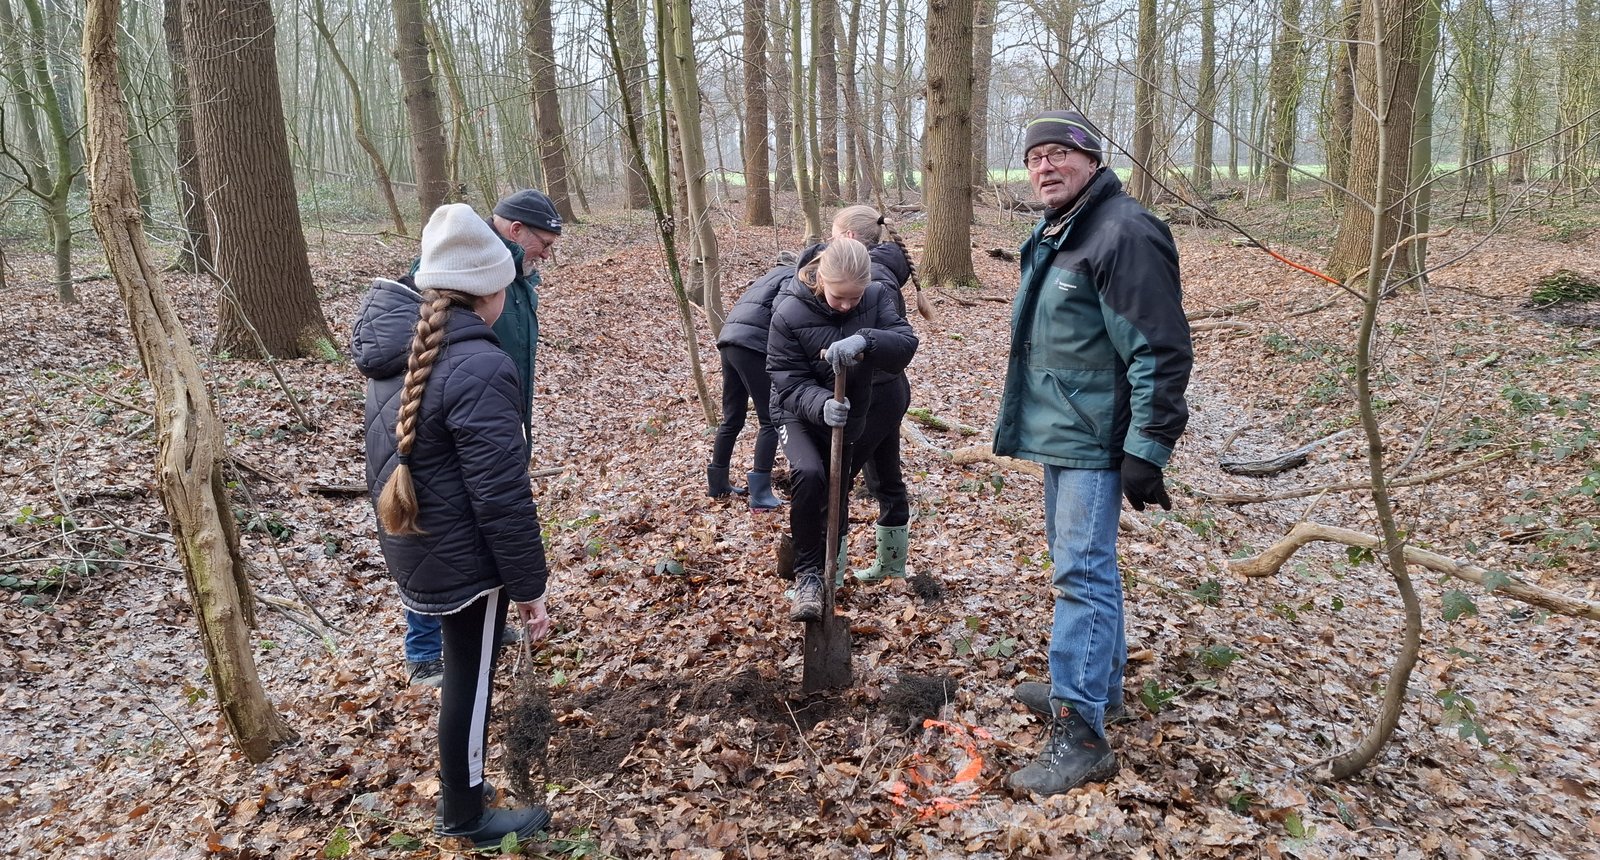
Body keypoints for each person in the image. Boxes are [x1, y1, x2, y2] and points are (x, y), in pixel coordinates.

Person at [994, 111, 1193, 796]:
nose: (1044, 167)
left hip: (1096, 438)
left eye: (1058, 154)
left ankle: (1081, 733)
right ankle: (1096, 693)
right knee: (1084, 569)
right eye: (1034, 158)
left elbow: (1159, 348)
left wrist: (1149, 446)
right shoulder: (1065, 229)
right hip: (1064, 431)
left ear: (1092, 158)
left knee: (1080, 574)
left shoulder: (1123, 232)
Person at [353, 203, 555, 847]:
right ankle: (465, 814)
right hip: (466, 556)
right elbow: (501, 494)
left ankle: (463, 795)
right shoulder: (479, 364)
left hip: (418, 542)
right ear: (488, 290)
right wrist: (529, 586)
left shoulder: (409, 349)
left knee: (464, 674)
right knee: (467, 685)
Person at [403, 189, 562, 687]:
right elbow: (422, 351)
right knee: (438, 530)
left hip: (492, 417)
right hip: (449, 423)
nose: (547, 254)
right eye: (544, 242)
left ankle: (483, 624)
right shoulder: (453, 270)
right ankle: (426, 650)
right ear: (515, 230)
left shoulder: (518, 283)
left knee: (483, 527)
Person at [767, 238, 918, 620]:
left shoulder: (878, 295)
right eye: (839, 298)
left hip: (852, 411)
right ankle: (808, 578)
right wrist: (821, 403)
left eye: (855, 297)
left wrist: (866, 338)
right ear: (821, 279)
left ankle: (829, 572)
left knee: (837, 487)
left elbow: (904, 343)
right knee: (811, 473)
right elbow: (786, 378)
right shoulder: (789, 310)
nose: (848, 305)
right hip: (795, 410)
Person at [827, 206, 930, 583]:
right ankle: (891, 563)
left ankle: (831, 572)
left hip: (875, 393)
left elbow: (891, 342)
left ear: (850, 238)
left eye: (834, 234)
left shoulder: (874, 281)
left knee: (833, 481)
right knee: (885, 476)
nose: (829, 242)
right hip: (884, 391)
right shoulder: (879, 270)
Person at [706, 261, 794, 510]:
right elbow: (783, 315)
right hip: (752, 346)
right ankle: (760, 493)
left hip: (728, 342)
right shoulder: (791, 279)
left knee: (732, 417)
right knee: (770, 419)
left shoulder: (766, 278)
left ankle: (718, 483)